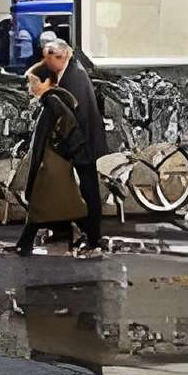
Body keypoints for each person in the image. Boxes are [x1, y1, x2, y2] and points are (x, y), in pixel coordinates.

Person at [31, 34, 107, 255]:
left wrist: (64, 145)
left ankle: (92, 238)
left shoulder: (74, 77)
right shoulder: (69, 71)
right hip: (80, 141)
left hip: (83, 143)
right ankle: (72, 229)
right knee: (75, 187)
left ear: (61, 56)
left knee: (88, 189)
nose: (46, 62)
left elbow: (74, 116)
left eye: (49, 58)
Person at [10, 62, 88, 256]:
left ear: (45, 82)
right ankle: (75, 234)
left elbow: (56, 132)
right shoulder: (53, 101)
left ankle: (25, 244)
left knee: (40, 204)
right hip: (56, 160)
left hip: (52, 162)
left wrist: (48, 154)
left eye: (32, 82)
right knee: (62, 204)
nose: (29, 87)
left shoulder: (52, 103)